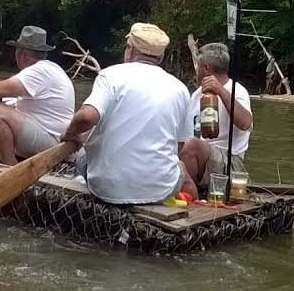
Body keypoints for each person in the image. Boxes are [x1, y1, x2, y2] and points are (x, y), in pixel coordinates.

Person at [59, 23, 196, 204]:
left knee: (82, 157)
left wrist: (70, 135)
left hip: (106, 189)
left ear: (130, 50)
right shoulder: (180, 89)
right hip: (160, 190)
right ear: (161, 56)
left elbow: (86, 117)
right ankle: (196, 203)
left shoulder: (110, 75)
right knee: (181, 168)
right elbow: (178, 147)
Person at [0, 26, 75, 164]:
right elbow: (5, 97)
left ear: (21, 54)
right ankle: (17, 162)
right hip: (49, 137)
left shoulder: (40, 71)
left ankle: (10, 169)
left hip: (54, 142)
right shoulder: (43, 71)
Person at [177, 42, 253, 192]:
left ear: (205, 68)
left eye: (198, 65)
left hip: (229, 162)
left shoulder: (237, 91)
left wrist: (220, 91)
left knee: (191, 146)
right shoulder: (198, 93)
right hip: (203, 158)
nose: (196, 70)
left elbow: (245, 123)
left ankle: (191, 196)